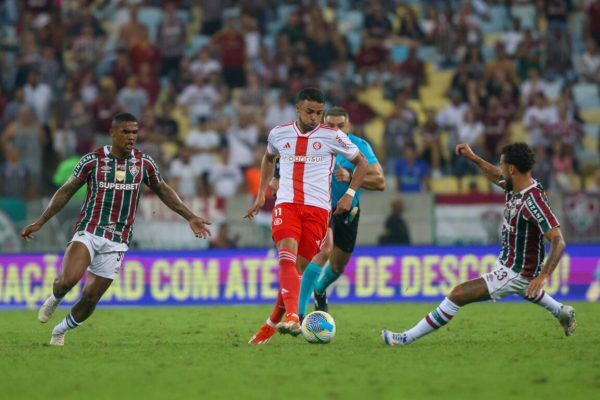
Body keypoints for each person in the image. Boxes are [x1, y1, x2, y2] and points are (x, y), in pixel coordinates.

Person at [21, 113, 211, 346]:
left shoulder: (144, 163)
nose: (131, 137)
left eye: (134, 132)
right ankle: (55, 297)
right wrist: (41, 221)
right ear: (112, 133)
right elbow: (66, 190)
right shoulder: (92, 161)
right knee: (67, 280)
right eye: (126, 132)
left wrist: (190, 216)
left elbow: (163, 190)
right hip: (89, 230)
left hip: (118, 239)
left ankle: (60, 330)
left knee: (91, 297)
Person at [382, 142, 576, 346]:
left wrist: (544, 275)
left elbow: (558, 240)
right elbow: (494, 175)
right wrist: (473, 157)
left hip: (516, 272)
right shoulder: (517, 185)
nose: (499, 169)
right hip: (509, 263)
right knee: (526, 289)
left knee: (458, 294)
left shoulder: (533, 201)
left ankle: (405, 338)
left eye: (502, 165)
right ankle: (561, 311)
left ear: (512, 169)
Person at [244, 88, 368, 344]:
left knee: (297, 269)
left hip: (318, 210)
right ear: (298, 109)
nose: (315, 118)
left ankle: (269, 325)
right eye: (310, 112)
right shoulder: (279, 133)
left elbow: (361, 163)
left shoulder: (332, 135)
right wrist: (261, 194)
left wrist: (350, 193)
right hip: (287, 204)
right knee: (286, 253)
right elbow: (268, 159)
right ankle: (293, 316)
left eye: (319, 113)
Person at [296, 107, 385, 318]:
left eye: (340, 126)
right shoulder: (313, 143)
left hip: (347, 210)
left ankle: (319, 290)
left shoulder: (359, 147)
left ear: (348, 126)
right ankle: (298, 314)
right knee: (324, 250)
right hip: (319, 207)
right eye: (330, 125)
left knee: (337, 265)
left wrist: (352, 175)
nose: (335, 130)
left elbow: (380, 182)